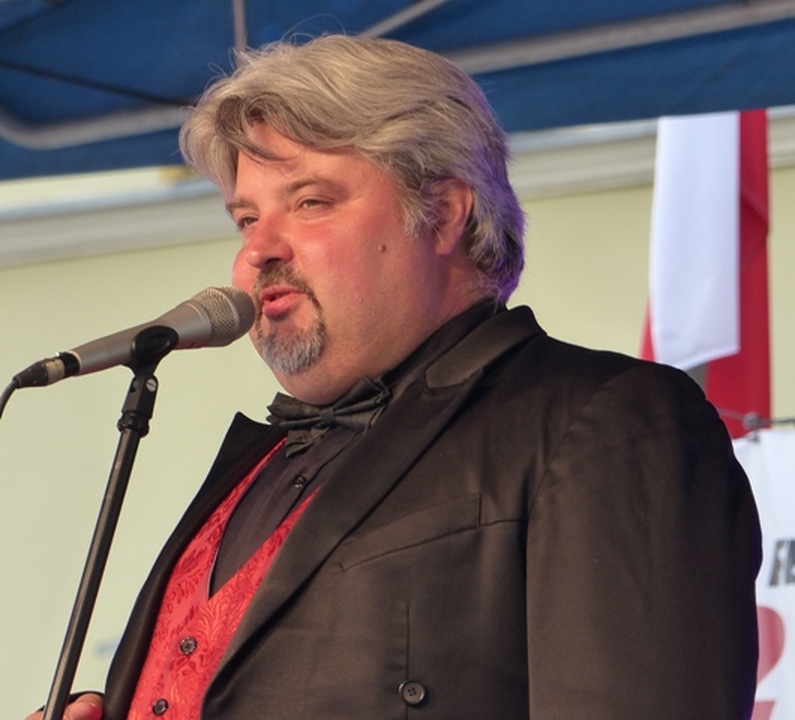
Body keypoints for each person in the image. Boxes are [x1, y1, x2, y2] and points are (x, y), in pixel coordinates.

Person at [31, 34, 761, 720]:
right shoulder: (262, 463)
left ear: (442, 215)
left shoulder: (604, 419)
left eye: (310, 202)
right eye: (245, 219)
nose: (259, 250)